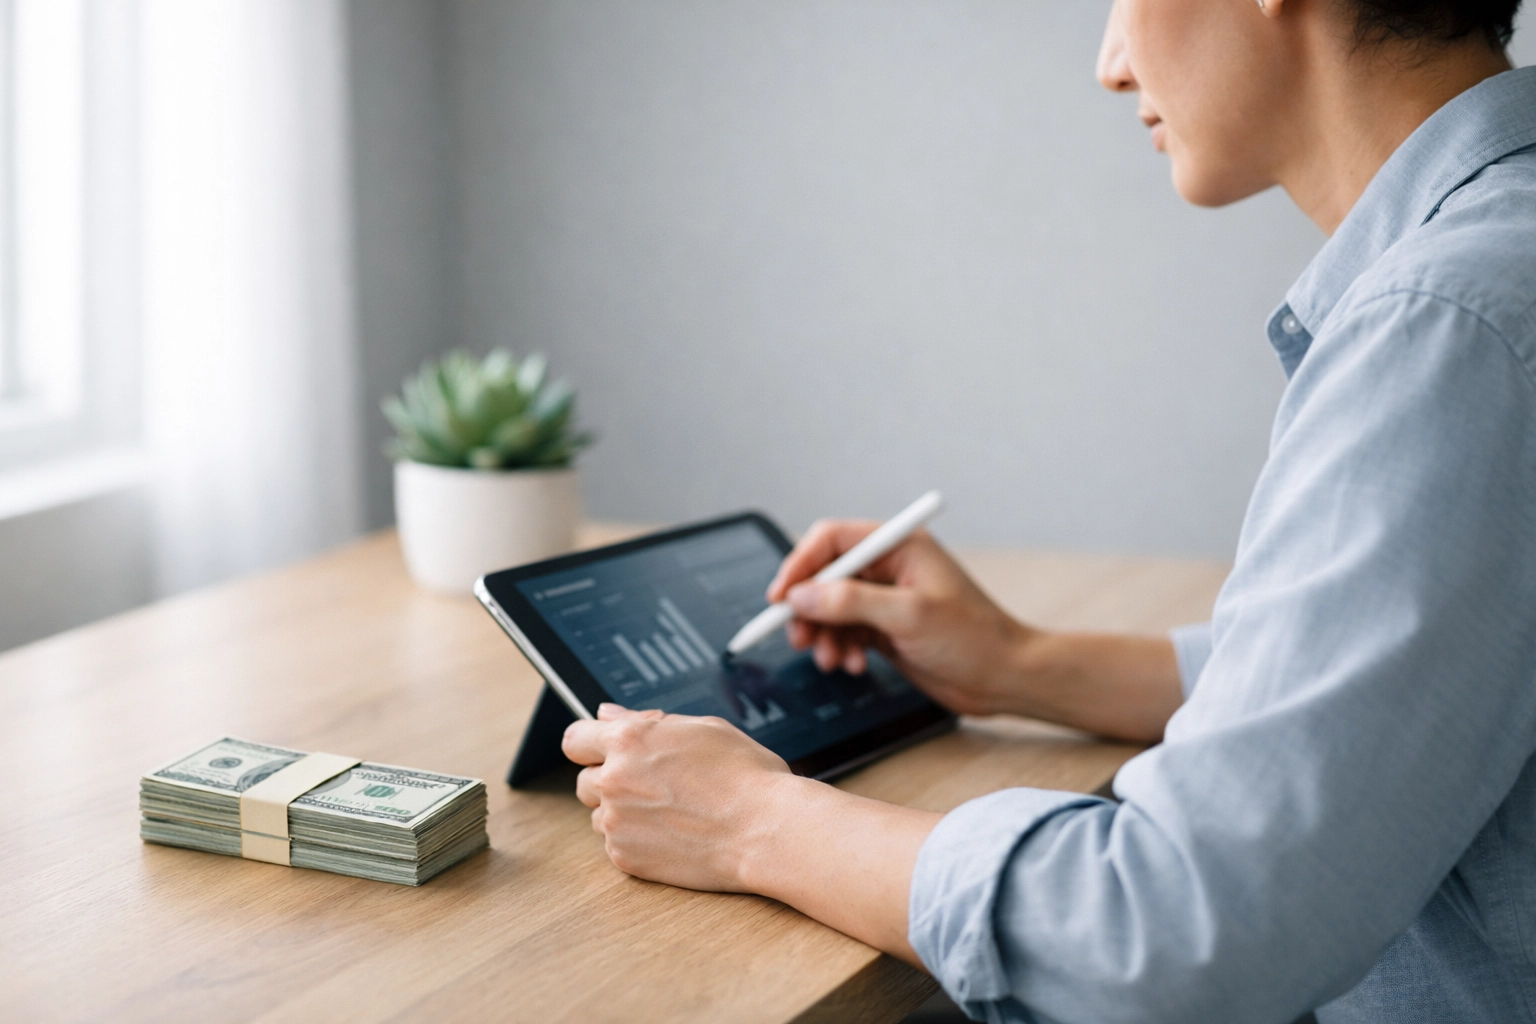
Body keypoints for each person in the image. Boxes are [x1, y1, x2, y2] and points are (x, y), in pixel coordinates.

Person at [561, 0, 1536, 1019]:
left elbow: (1174, 936)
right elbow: (1392, 675)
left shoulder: (1448, 326)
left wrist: (751, 820)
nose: (1112, 63)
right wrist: (1019, 664)